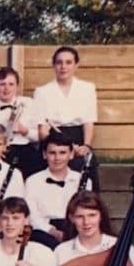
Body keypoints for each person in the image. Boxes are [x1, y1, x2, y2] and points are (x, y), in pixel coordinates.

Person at [33, 46, 100, 189]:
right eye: (59, 62)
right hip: (53, 139)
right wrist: (64, 146)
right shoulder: (42, 92)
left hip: (79, 140)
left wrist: (86, 146)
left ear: (76, 65)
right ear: (54, 65)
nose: (63, 67)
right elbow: (43, 132)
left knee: (86, 162)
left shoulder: (87, 88)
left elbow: (89, 121)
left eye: (68, 62)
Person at [55, 191, 134, 266]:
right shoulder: (62, 251)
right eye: (79, 217)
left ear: (101, 216)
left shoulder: (121, 248)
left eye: (92, 215)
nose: (86, 222)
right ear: (71, 218)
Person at [24, 133, 88, 249]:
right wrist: (52, 231)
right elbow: (32, 215)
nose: (57, 158)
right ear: (44, 154)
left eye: (62, 153)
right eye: (52, 153)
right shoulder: (32, 181)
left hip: (74, 227)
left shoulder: (82, 180)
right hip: (43, 231)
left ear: (71, 154)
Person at [0, 67, 45, 176]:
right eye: (2, 84)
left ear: (17, 87)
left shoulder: (29, 104)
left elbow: (39, 137)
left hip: (26, 151)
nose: (6, 88)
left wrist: (24, 130)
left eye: (11, 84)